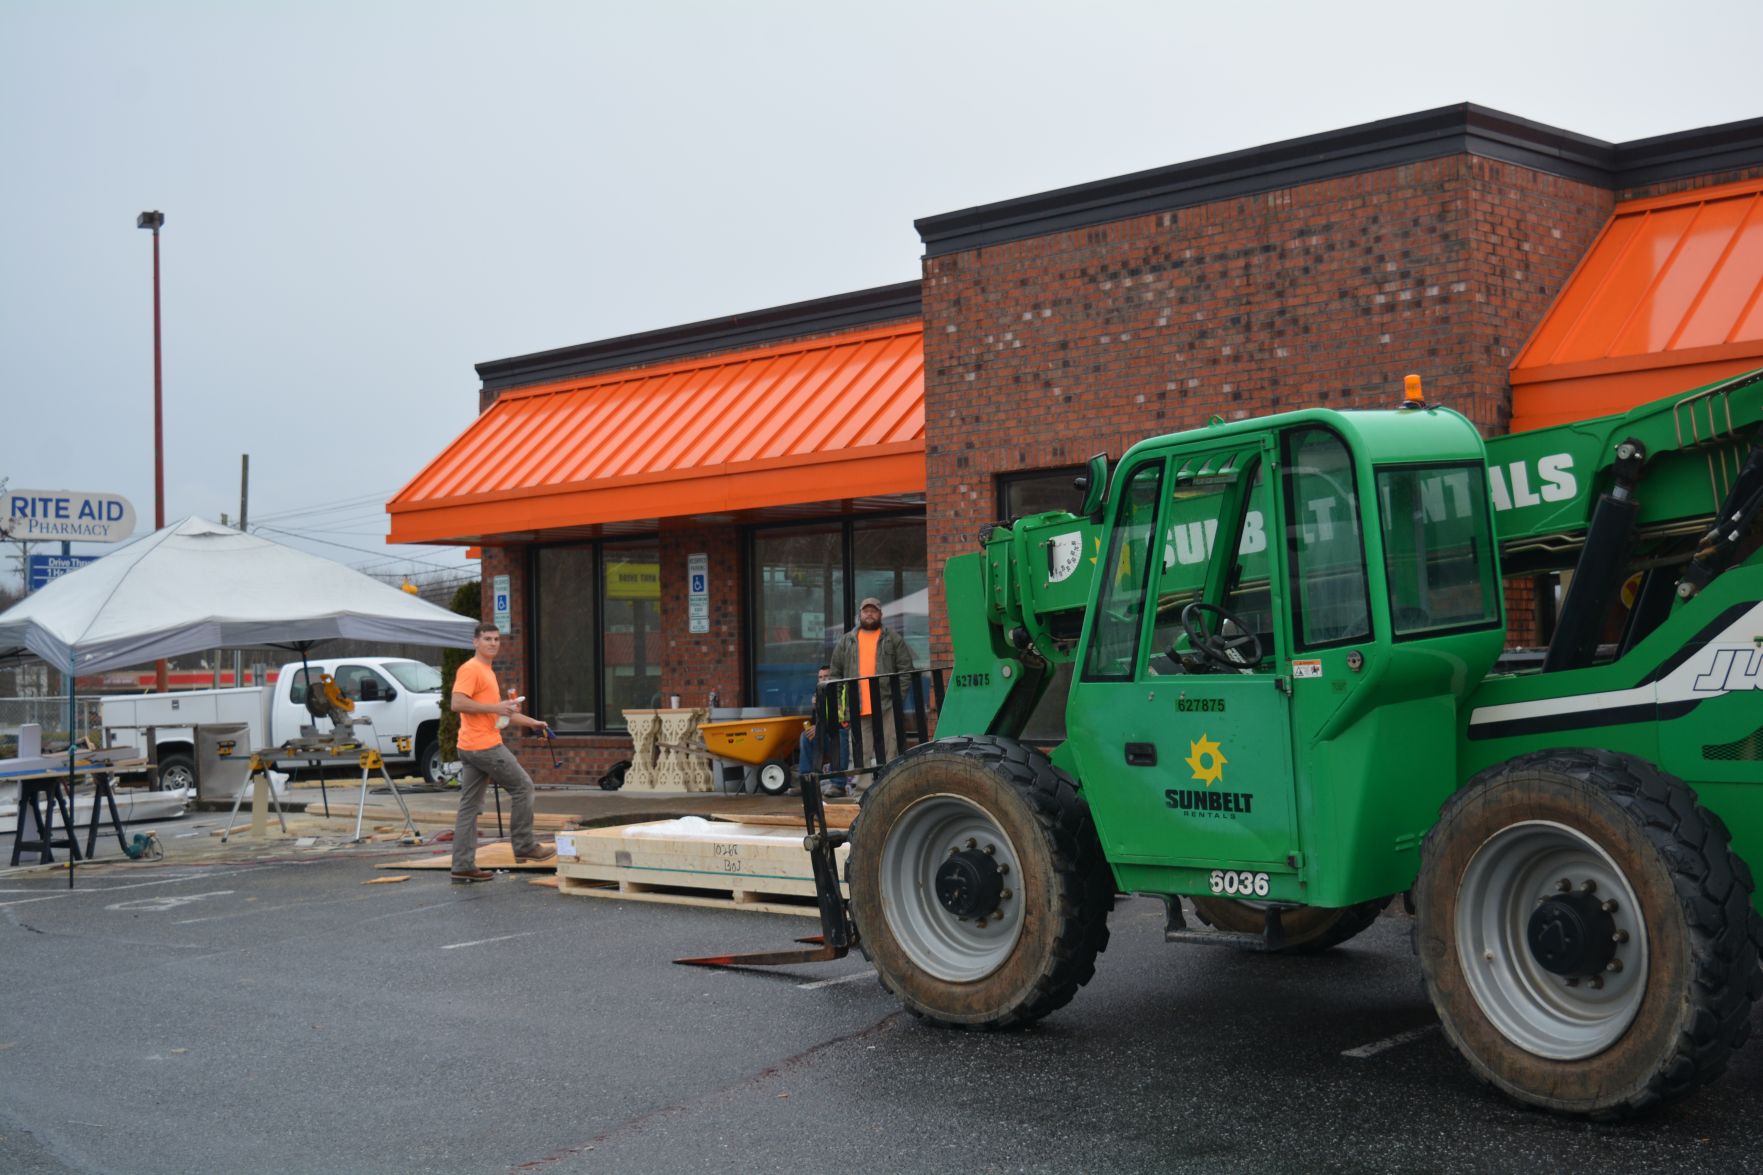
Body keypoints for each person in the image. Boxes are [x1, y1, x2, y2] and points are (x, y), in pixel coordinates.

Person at [449, 621, 556, 883]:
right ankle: (525, 846)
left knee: (469, 809)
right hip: (485, 746)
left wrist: (532, 722)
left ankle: (462, 866)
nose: (493, 643)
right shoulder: (471, 669)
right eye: (487, 639)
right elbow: (457, 703)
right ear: (475, 642)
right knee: (523, 787)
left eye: (496, 639)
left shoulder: (487, 671)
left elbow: (495, 711)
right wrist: (497, 708)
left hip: (471, 746)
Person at [826, 596, 916, 794]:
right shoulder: (846, 641)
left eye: (873, 610)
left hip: (886, 705)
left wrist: (897, 698)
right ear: (859, 614)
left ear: (880, 614)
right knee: (860, 751)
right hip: (857, 706)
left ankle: (889, 788)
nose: (869, 614)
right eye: (866, 611)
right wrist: (841, 704)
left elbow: (906, 670)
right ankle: (863, 791)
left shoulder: (892, 639)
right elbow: (835, 675)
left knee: (890, 749)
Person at [797, 664, 846, 783]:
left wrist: (819, 728)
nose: (823, 679)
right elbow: (817, 724)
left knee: (840, 735)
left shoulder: (841, 692)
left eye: (826, 676)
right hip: (826, 737)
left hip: (841, 735)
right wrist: (816, 708)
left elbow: (842, 721)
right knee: (805, 736)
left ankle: (838, 783)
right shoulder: (819, 695)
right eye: (820, 677)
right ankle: (807, 781)